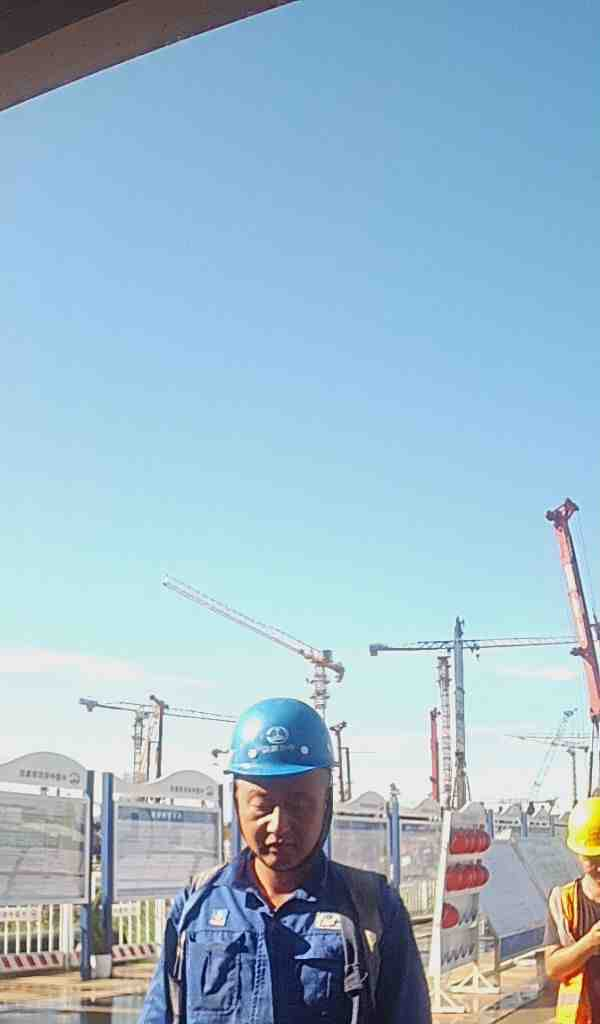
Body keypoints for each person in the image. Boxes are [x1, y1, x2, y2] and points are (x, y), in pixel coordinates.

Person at [140, 696, 431, 1024]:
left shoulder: (374, 910)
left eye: (299, 804)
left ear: (326, 803)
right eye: (262, 806)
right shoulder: (197, 905)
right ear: (236, 803)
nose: (279, 825)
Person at [545, 797, 600, 1024]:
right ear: (578, 854)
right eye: (593, 859)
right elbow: (552, 968)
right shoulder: (563, 901)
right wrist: (589, 944)